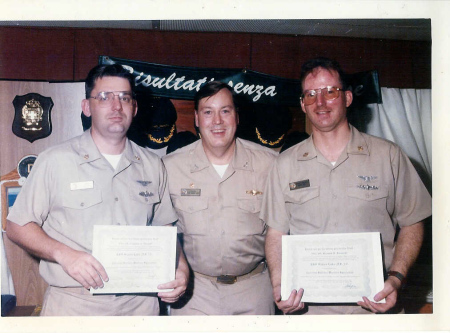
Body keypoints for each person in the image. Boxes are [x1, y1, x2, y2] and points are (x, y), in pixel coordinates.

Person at [6, 64, 189, 316]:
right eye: (104, 97)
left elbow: (164, 229)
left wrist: (180, 267)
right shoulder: (55, 160)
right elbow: (17, 226)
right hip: (75, 305)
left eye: (124, 97)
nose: (116, 106)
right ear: (86, 107)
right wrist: (64, 254)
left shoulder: (152, 165)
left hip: (140, 306)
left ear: (134, 108)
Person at [261, 57, 432, 315]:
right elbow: (276, 233)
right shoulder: (284, 164)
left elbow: (413, 222)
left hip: (375, 309)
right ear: (302, 105)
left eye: (330, 92)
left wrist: (396, 278)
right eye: (311, 95)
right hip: (308, 314)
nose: (321, 102)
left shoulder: (388, 156)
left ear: (348, 98)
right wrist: (277, 283)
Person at [162, 81, 277, 315]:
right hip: (194, 294)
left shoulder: (270, 165)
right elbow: (162, 229)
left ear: (237, 116)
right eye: (208, 112)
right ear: (196, 118)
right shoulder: (170, 167)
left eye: (225, 111)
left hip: (254, 291)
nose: (217, 121)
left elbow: (282, 231)